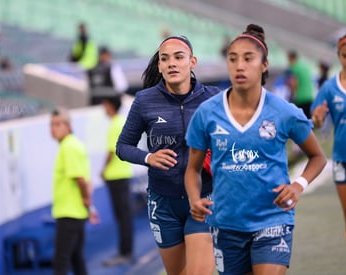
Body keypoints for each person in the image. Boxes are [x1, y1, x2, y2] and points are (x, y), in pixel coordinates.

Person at [185, 24, 327, 275]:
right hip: (226, 225)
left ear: (264, 65)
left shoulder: (284, 112)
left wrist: (298, 185)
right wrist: (195, 199)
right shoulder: (207, 113)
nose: (239, 66)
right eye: (233, 59)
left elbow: (317, 157)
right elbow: (192, 170)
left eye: (248, 59)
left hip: (273, 220)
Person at [116, 35, 220, 275]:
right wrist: (147, 158)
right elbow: (122, 146)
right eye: (165, 59)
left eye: (179, 57)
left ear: (192, 61)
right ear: (160, 66)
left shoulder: (214, 99)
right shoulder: (144, 101)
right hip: (163, 204)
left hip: (204, 199)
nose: (172, 63)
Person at [311, 30, 346, 275]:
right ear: (338, 56)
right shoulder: (329, 88)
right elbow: (316, 119)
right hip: (343, 159)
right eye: (344, 56)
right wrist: (317, 118)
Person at [50, 108, 97, 275]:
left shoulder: (68, 146)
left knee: (61, 260)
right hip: (76, 212)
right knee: (76, 258)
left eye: (57, 124)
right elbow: (86, 180)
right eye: (51, 125)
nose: (53, 129)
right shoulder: (74, 144)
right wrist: (89, 207)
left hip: (69, 213)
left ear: (68, 125)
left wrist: (86, 200)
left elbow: (80, 180)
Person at [100, 95, 134, 266]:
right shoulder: (121, 122)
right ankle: (126, 250)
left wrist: (103, 170)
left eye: (105, 104)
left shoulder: (115, 124)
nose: (103, 108)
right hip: (123, 174)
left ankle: (125, 252)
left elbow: (111, 151)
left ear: (110, 105)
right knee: (124, 215)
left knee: (122, 216)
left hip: (116, 176)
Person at [287, 50, 315, 118]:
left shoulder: (295, 67)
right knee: (308, 119)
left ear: (291, 58)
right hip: (310, 96)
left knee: (299, 119)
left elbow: (294, 84)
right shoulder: (304, 66)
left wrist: (291, 95)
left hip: (301, 98)